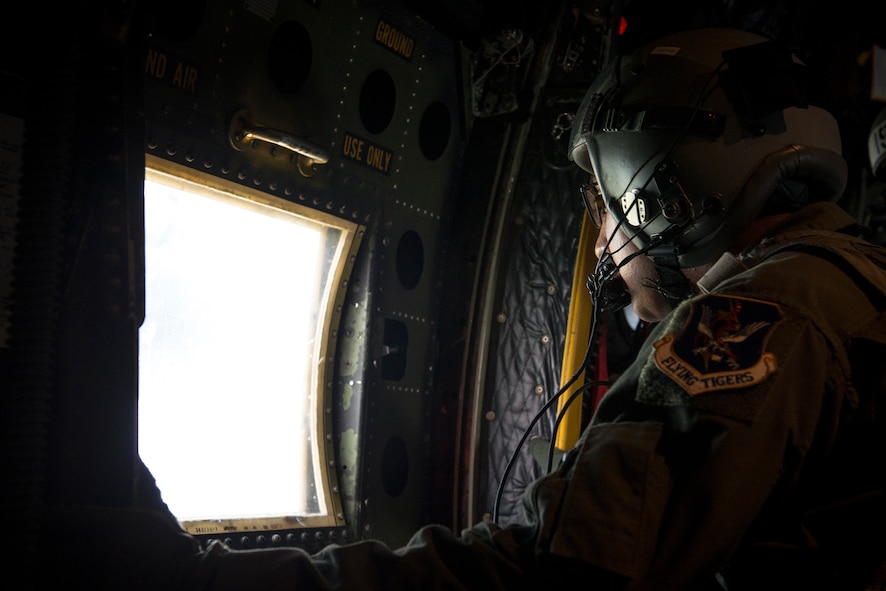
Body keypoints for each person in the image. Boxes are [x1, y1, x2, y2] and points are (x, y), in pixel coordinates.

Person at [48, 27, 886, 590]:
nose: (602, 246)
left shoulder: (766, 321)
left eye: (603, 204)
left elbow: (561, 575)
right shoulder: (847, 286)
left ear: (661, 190)